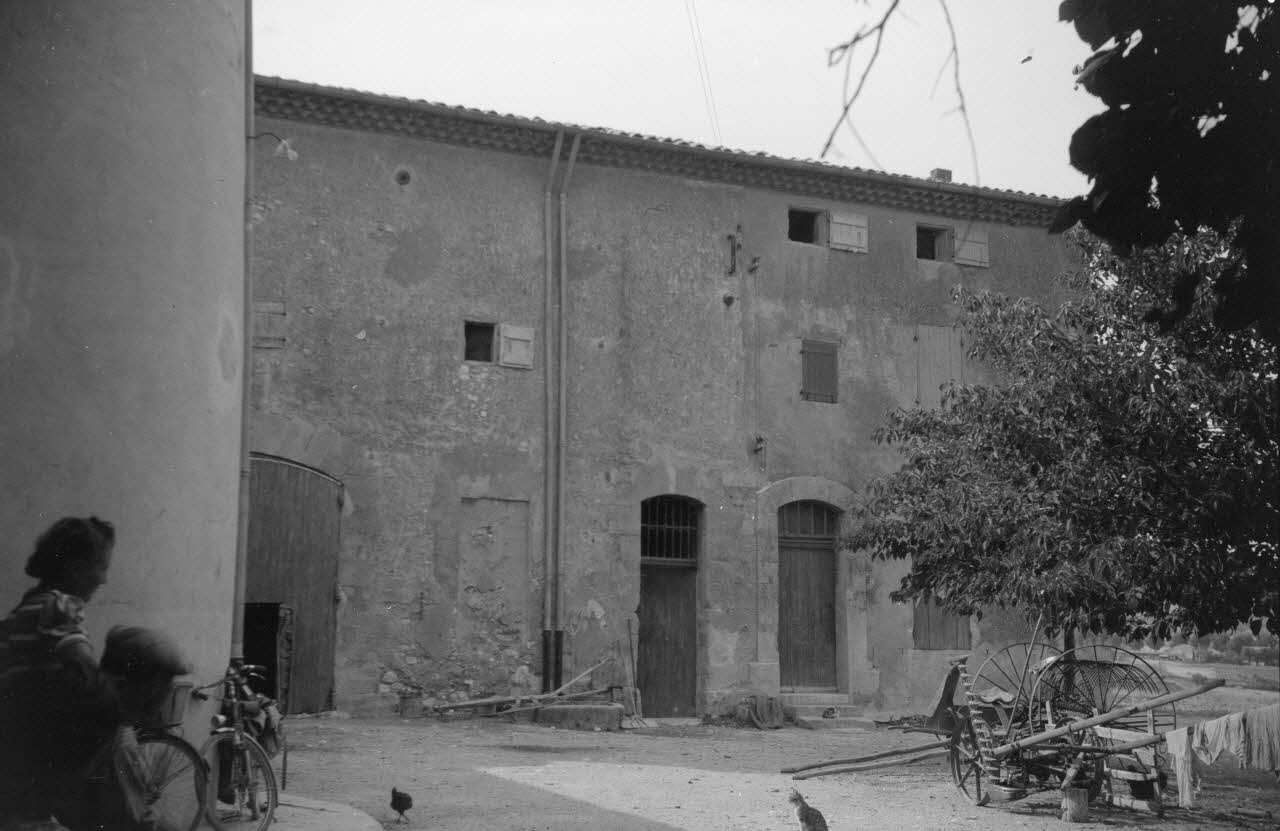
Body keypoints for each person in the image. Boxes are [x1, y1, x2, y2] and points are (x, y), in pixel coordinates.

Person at [0, 517, 120, 831]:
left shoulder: (27, 605)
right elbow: (88, 674)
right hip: (39, 758)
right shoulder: (59, 607)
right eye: (101, 567)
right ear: (76, 568)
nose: (104, 579)